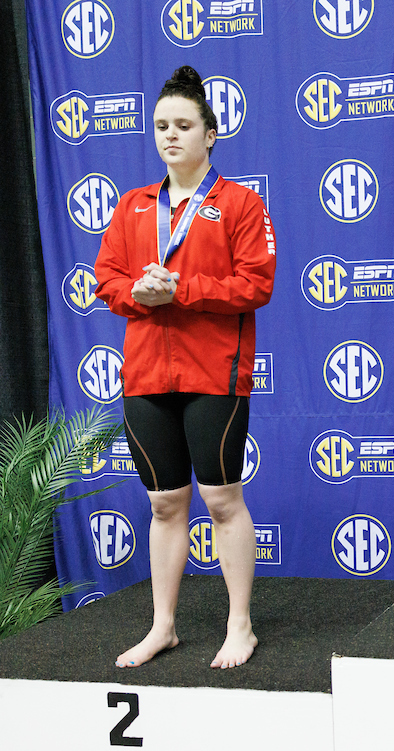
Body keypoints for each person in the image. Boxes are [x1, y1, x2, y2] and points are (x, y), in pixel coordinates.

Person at [94, 66, 276, 669]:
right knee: (165, 505)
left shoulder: (240, 203)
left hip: (213, 373)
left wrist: (182, 289)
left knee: (222, 499)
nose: (170, 136)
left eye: (183, 125)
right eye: (161, 127)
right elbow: (107, 280)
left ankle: (240, 625)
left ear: (211, 134)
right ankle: (163, 626)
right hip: (146, 375)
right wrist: (137, 295)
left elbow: (256, 284)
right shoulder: (131, 207)